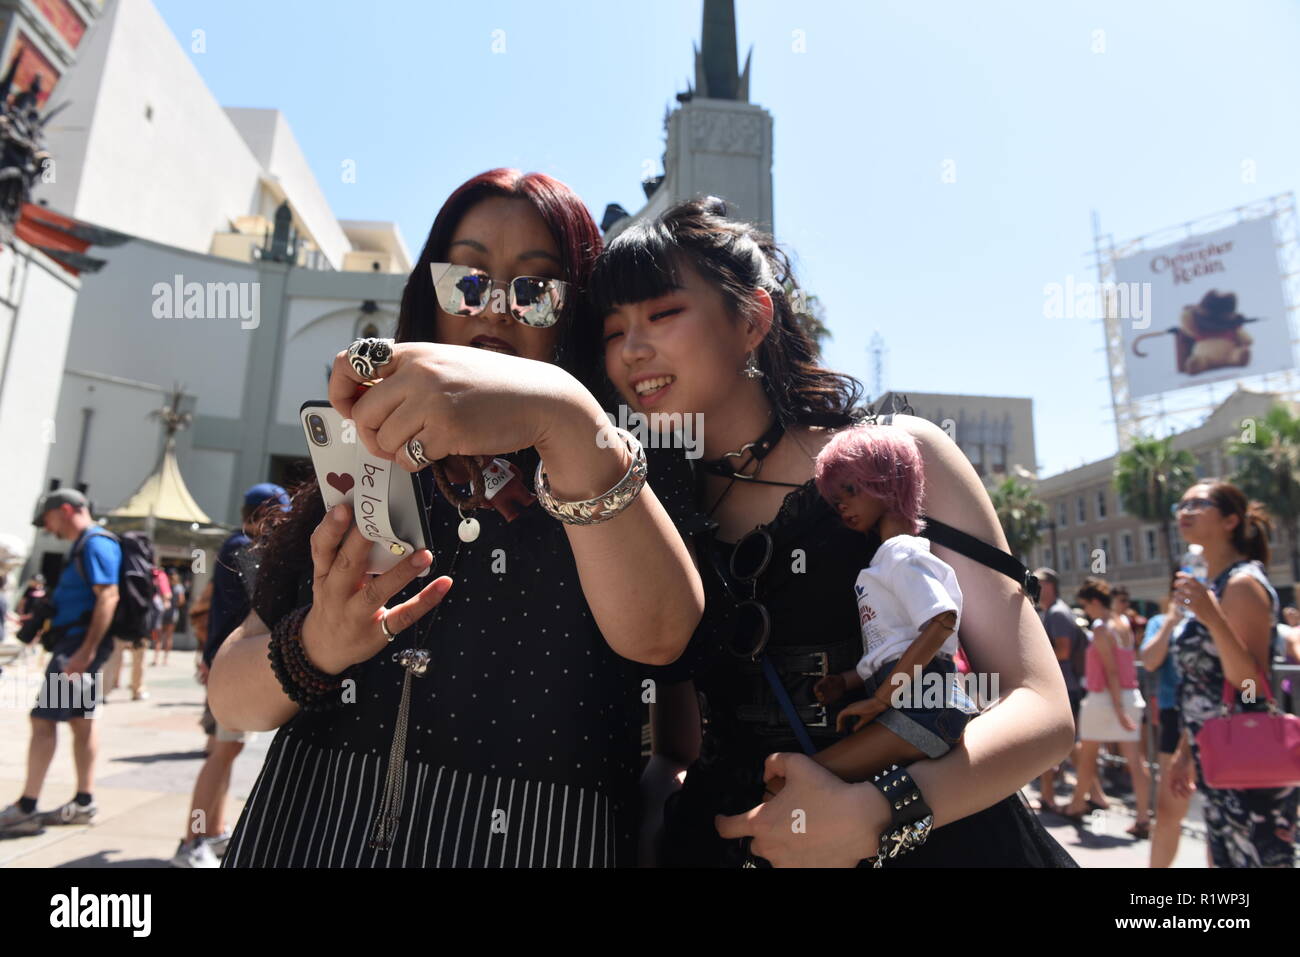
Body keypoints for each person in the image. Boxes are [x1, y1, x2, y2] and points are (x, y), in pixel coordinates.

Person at [209, 169, 703, 868]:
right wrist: (317, 642)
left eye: (535, 290)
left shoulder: (624, 458)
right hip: (308, 831)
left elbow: (661, 635)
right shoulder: (362, 461)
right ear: (429, 299)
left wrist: (560, 411)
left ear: (575, 312)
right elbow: (231, 698)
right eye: (467, 282)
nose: (494, 311)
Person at [589, 197, 1076, 867]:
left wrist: (881, 811)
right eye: (613, 331)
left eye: (662, 313)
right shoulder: (645, 507)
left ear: (754, 318)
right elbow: (677, 741)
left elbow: (1042, 708)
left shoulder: (900, 454)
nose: (632, 350)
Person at [799, 424, 976, 785]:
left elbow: (941, 619)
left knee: (796, 779)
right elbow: (893, 644)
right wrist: (847, 681)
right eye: (836, 501)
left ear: (886, 480)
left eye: (849, 489)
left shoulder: (902, 553)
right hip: (912, 705)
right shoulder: (886, 560)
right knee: (805, 779)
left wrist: (880, 699)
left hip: (923, 707)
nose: (843, 505)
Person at [1168, 481, 1297, 868]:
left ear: (1230, 520)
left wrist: (1210, 616)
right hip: (1217, 750)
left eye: (1199, 504)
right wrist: (1184, 752)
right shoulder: (1214, 583)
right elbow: (1203, 683)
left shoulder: (1241, 586)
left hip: (1249, 749)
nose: (1185, 512)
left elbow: (1249, 686)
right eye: (1182, 504)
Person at [173, 483, 290, 867]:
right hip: (230, 668)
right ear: (260, 516)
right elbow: (263, 598)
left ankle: (213, 829)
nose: (282, 524)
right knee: (221, 753)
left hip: (222, 663)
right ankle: (192, 841)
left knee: (227, 750)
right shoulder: (243, 549)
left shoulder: (235, 546)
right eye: (277, 516)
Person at [0, 489, 120, 835]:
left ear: (65, 510)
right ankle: (83, 802)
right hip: (78, 646)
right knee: (81, 722)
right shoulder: (89, 543)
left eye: (48, 519)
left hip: (75, 649)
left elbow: (108, 596)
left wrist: (84, 652)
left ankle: (26, 807)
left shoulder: (95, 543)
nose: (47, 528)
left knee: (42, 721)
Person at [1059, 577, 1152, 839]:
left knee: (1087, 755)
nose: (1086, 612)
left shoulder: (1101, 628)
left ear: (1095, 602)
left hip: (1105, 699)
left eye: (1086, 606)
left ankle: (1078, 803)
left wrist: (1118, 710)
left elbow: (1111, 671)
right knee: (1136, 761)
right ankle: (1143, 818)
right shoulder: (1123, 623)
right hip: (1130, 694)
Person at [1139, 573, 1190, 867]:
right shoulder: (1161, 622)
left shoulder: (1212, 618)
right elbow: (1149, 660)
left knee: (1217, 812)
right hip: (1175, 715)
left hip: (1215, 720)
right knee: (1169, 807)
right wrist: (1171, 622)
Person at [1032, 567, 1086, 813]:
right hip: (1059, 686)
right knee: (1055, 743)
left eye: (1037, 582)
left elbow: (1063, 651)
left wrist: (1033, 658)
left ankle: (1088, 794)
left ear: (1050, 586)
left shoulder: (1058, 614)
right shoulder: (1051, 612)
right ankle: (1049, 795)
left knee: (1067, 744)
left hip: (1063, 687)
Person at [149, 563, 172, 666]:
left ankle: (156, 658)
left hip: (150, 610)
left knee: (159, 636)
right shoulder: (161, 576)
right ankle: (162, 659)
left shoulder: (151, 574)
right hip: (162, 611)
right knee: (165, 636)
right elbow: (167, 595)